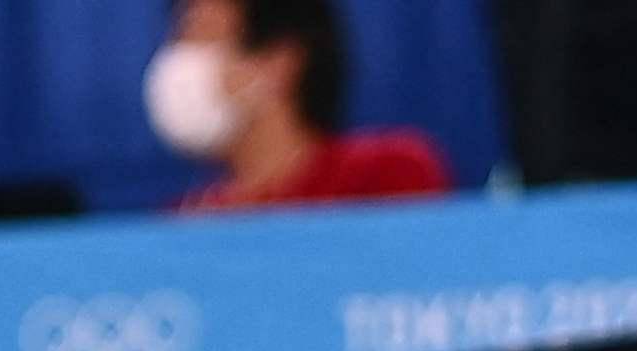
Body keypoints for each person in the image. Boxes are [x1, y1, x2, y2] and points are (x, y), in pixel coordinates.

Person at [154, 0, 455, 210]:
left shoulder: (386, 178)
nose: (179, 70)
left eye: (203, 39)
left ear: (278, 64)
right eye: (179, 42)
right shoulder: (186, 223)